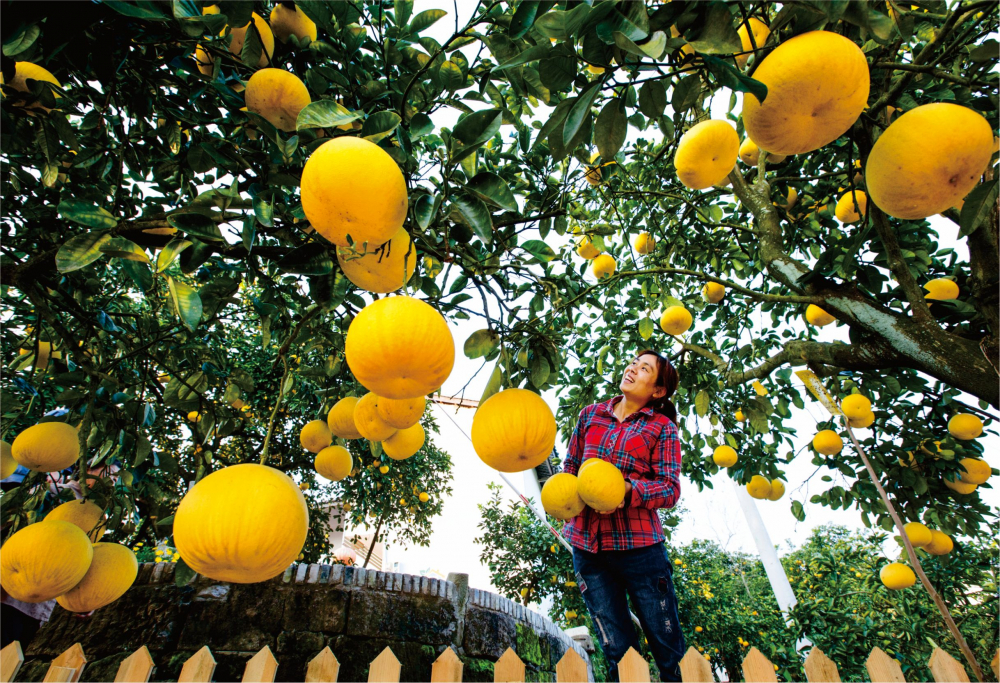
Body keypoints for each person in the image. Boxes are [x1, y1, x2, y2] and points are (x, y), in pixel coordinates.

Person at [561, 349, 685, 682]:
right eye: (633, 362)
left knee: (669, 649)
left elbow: (669, 488)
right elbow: (571, 468)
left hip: (641, 551)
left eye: (644, 368)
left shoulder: (661, 428)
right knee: (619, 652)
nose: (632, 368)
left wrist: (627, 491)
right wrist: (566, 498)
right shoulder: (591, 415)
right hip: (590, 551)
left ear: (657, 390)